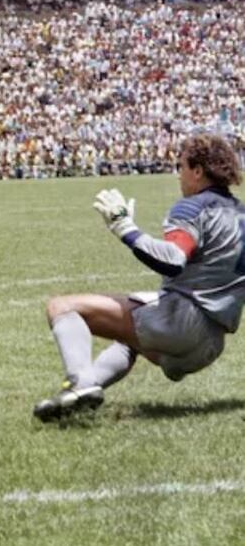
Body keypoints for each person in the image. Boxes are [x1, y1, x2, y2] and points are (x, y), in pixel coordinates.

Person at [34, 134, 245, 422]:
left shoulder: (192, 207)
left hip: (181, 324)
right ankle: (77, 395)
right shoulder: (240, 214)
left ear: (197, 171)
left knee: (62, 307)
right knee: (127, 341)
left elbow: (172, 260)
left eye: (181, 166)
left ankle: (81, 384)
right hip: (211, 345)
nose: (178, 175)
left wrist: (125, 228)